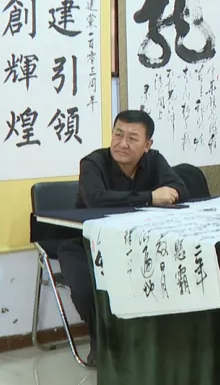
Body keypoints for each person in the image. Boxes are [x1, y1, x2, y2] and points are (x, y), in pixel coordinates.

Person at [57, 110, 190, 367]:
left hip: (135, 242)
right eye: (118, 134)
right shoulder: (93, 163)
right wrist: (150, 197)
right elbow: (96, 199)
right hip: (85, 243)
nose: (122, 143)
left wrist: (167, 193)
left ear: (147, 145)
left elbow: (181, 190)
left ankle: (149, 342)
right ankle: (102, 342)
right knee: (87, 289)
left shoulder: (155, 161)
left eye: (132, 138)